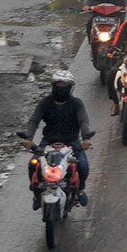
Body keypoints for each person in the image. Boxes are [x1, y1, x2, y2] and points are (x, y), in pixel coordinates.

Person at [20, 70, 92, 207]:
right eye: (59, 84)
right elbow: (34, 120)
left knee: (83, 165)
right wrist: (29, 138)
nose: (61, 88)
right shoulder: (45, 102)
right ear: (53, 85)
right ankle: (36, 194)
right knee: (33, 164)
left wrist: (86, 138)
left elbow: (83, 121)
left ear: (70, 87)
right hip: (49, 142)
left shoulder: (76, 103)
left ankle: (81, 189)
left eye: (65, 85)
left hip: (71, 141)